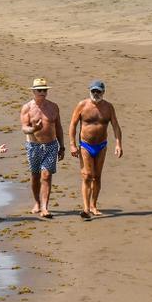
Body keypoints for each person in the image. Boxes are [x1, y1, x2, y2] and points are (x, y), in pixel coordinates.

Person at [69, 80, 123, 220]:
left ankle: (93, 205)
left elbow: (115, 126)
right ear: (89, 91)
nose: (96, 94)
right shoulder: (82, 105)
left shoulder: (108, 107)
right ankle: (86, 209)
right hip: (85, 145)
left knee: (97, 176)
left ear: (103, 92)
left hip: (101, 145)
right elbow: (73, 125)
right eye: (93, 91)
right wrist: (72, 144)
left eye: (98, 91)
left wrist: (118, 144)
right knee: (87, 175)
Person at [20, 78, 64, 218]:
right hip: (33, 145)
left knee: (47, 175)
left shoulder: (53, 107)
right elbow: (24, 128)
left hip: (51, 145)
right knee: (35, 175)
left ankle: (45, 207)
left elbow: (58, 127)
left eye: (44, 90)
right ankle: (37, 202)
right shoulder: (27, 108)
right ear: (33, 91)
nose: (42, 93)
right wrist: (34, 128)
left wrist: (62, 146)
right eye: (39, 90)